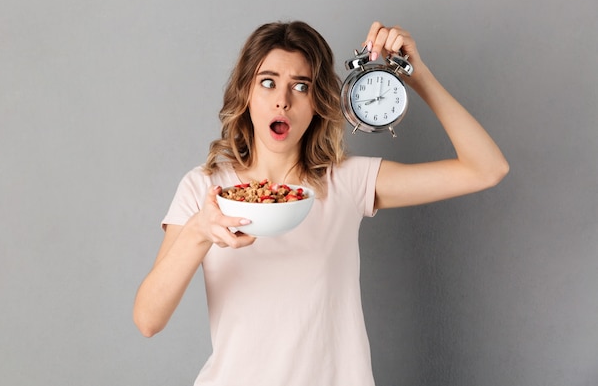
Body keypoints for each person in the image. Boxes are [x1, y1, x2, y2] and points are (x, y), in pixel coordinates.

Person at [133, 21, 509, 385]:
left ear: (317, 102)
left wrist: (418, 76)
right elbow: (148, 320)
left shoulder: (346, 181)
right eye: (268, 83)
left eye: (301, 86)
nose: (282, 100)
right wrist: (200, 230)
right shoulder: (206, 187)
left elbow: (486, 169)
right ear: (246, 93)